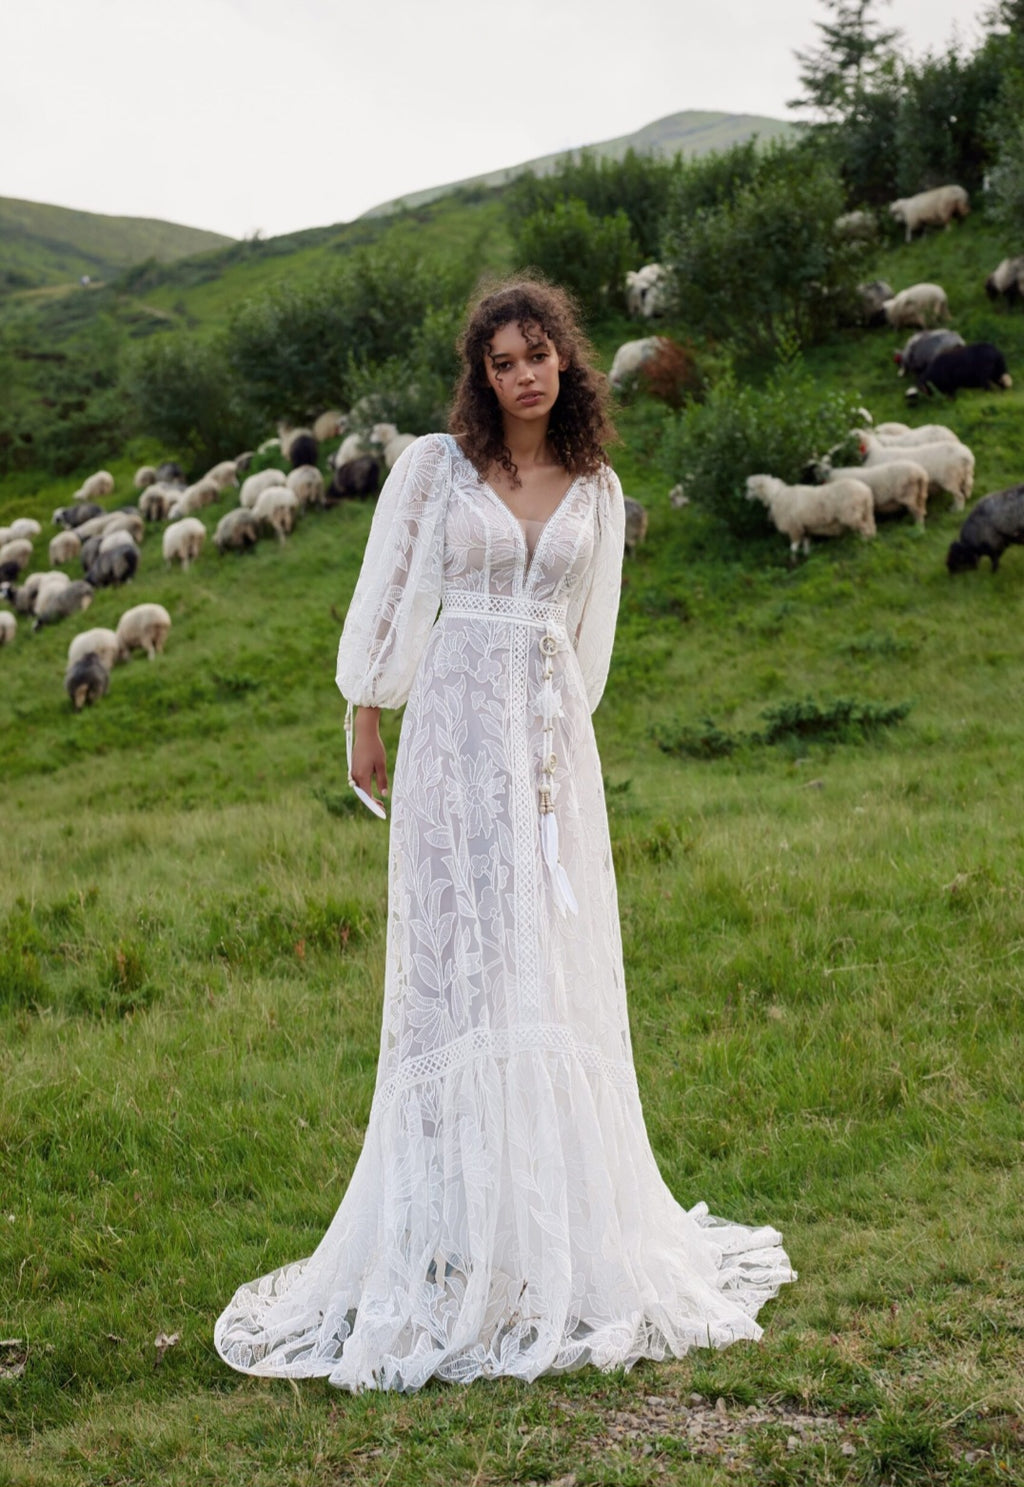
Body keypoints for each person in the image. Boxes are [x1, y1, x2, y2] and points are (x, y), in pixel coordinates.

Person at [214, 278, 794, 1392]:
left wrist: (551, 755)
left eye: (539, 356)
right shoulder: (437, 468)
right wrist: (365, 708)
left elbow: (589, 641)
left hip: (543, 751)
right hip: (447, 729)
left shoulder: (597, 485)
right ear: (480, 377)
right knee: (448, 975)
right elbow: (390, 597)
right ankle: (446, 1239)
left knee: (541, 969)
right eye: (502, 362)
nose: (523, 375)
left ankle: (547, 1235)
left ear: (566, 363)